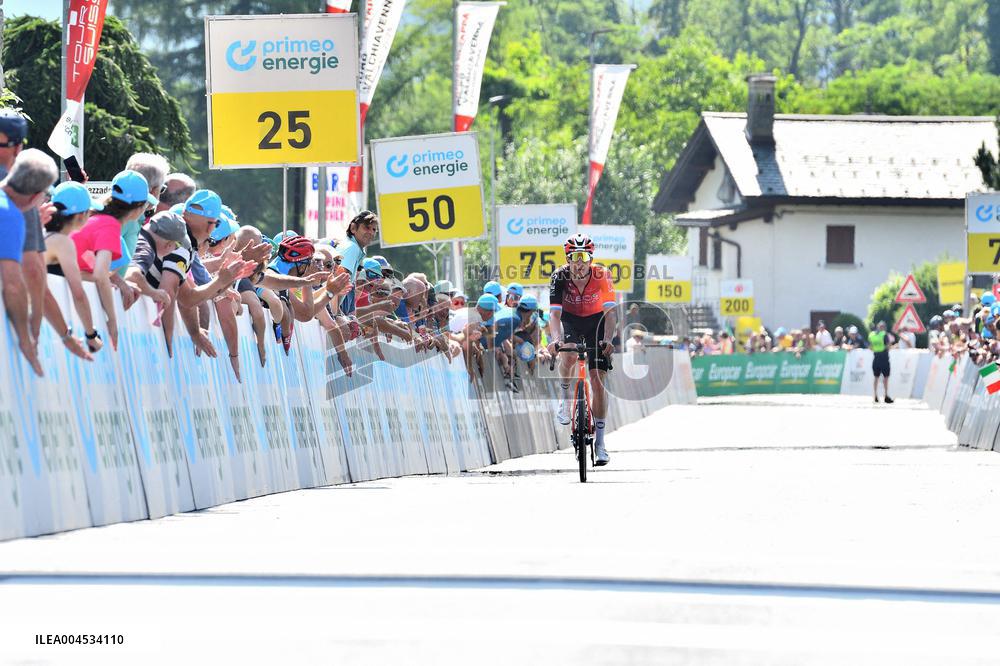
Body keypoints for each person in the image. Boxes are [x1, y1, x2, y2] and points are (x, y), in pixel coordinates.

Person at [546, 233, 617, 466]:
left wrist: (608, 340)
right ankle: (565, 398)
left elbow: (610, 314)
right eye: (574, 257)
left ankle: (600, 443)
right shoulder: (559, 276)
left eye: (584, 257)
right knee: (568, 354)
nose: (579, 263)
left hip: (597, 322)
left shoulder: (602, 275)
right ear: (567, 258)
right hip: (570, 321)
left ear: (591, 259)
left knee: (597, 380)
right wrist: (556, 340)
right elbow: (554, 314)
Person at [45, 181, 104, 353]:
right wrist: (91, 335)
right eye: (89, 212)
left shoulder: (44, 233)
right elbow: (78, 294)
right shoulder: (63, 242)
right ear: (80, 215)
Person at [334, 210, 378, 316]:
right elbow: (338, 282)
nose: (371, 232)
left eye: (374, 229)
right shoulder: (351, 248)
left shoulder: (354, 248)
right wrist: (337, 315)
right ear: (353, 228)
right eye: (366, 227)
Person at [869, 321, 896, 404]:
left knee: (876, 377)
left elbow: (870, 347)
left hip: (876, 358)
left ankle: (875, 396)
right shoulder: (884, 335)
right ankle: (886, 395)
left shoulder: (872, 335)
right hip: (884, 358)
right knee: (886, 377)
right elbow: (888, 346)